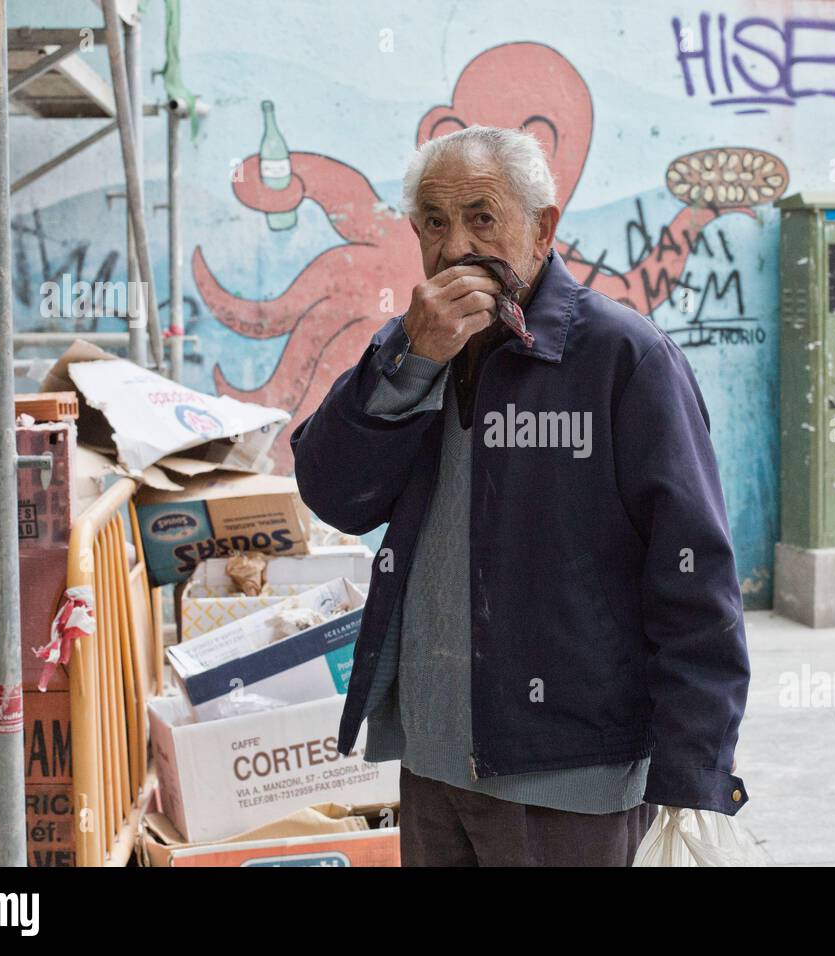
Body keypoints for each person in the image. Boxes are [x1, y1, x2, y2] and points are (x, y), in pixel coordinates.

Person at [290, 126, 750, 867]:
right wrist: (409, 363)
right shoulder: (411, 348)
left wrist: (693, 768)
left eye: (481, 217)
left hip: (570, 773)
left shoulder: (623, 359)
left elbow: (694, 577)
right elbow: (334, 492)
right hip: (433, 758)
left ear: (543, 228)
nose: (455, 247)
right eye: (435, 223)